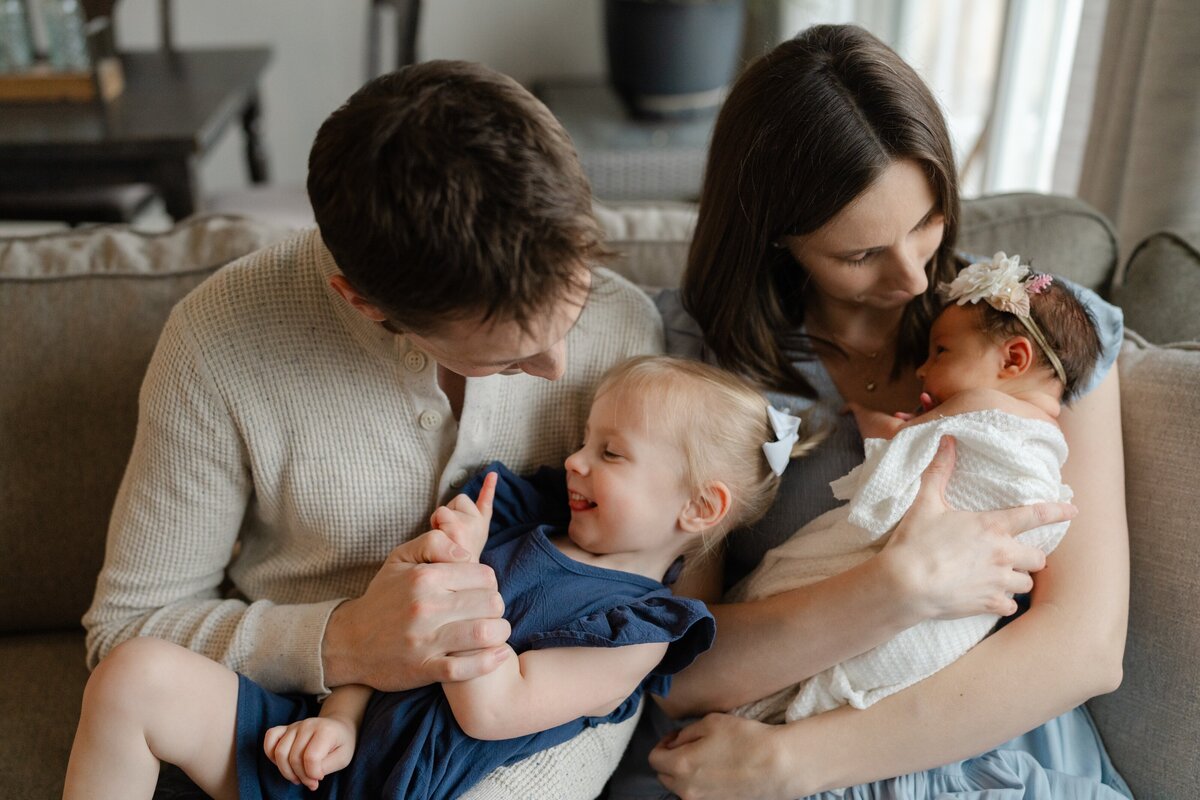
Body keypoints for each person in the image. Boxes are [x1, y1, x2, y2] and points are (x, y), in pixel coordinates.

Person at [79, 61, 664, 798]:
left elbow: (648, 607)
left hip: (498, 738)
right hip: (290, 719)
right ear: (363, 303)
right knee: (136, 680)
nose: (558, 368)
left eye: (573, 309)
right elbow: (126, 627)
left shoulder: (627, 325)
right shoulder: (220, 338)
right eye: (510, 358)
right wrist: (347, 641)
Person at [612, 24, 1131, 799]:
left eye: (927, 223)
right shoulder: (695, 357)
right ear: (777, 240)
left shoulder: (1046, 330)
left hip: (996, 746)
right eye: (859, 256)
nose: (917, 279)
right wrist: (896, 590)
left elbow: (1085, 645)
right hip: (770, 725)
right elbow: (679, 665)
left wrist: (800, 762)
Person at [64, 355, 800, 800]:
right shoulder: (518, 516)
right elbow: (389, 637)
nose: (575, 460)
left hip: (408, 789)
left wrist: (460, 574)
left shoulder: (635, 635)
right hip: (319, 754)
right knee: (135, 677)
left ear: (700, 507)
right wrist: (337, 721)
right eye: (582, 442)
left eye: (611, 453)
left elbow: (493, 707)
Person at [731, 254, 1102, 723]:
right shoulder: (1050, 447)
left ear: (1012, 359)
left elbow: (897, 441)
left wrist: (866, 416)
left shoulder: (983, 404)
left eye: (941, 352)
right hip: (959, 600)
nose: (923, 371)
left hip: (921, 573)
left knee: (793, 581)